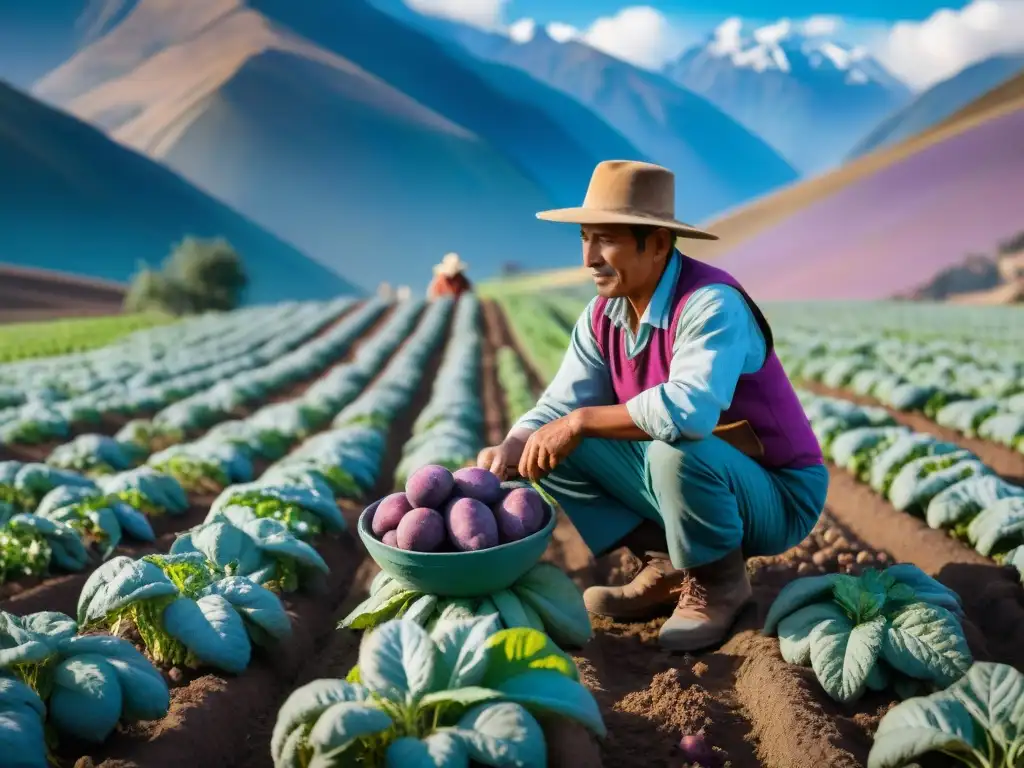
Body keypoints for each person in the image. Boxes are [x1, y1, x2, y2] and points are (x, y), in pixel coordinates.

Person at [476, 160, 828, 652]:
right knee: (549, 445)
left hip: (777, 491)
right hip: (702, 473)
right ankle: (665, 564)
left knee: (672, 447)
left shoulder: (711, 303)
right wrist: (515, 443)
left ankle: (719, 584)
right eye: (584, 238)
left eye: (607, 239)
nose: (590, 258)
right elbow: (561, 402)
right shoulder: (603, 315)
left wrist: (580, 422)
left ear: (658, 242)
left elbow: (689, 414)